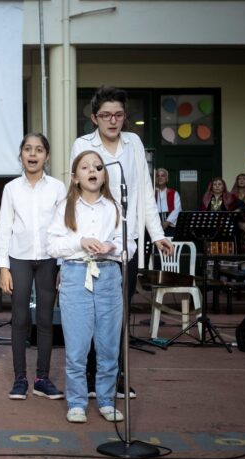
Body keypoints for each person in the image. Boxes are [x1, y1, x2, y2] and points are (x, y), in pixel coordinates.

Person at [71, 85, 173, 399]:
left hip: (124, 241)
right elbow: (75, 192)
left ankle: (114, 376)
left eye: (118, 115)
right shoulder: (83, 144)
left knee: (117, 314)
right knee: (91, 313)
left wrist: (157, 234)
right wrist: (76, 238)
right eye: (106, 115)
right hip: (93, 240)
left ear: (124, 117)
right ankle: (90, 376)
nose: (112, 120)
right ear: (94, 118)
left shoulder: (134, 143)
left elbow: (144, 191)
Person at [48, 150, 135, 424]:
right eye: (85, 167)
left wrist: (112, 247)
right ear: (75, 177)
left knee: (109, 346)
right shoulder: (66, 207)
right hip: (76, 274)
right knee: (77, 346)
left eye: (97, 167)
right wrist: (80, 241)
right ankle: (77, 401)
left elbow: (130, 244)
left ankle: (107, 400)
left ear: (104, 175)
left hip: (108, 275)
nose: (92, 171)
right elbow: (52, 245)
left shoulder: (114, 207)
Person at [0, 133, 66, 401]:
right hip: (19, 259)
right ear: (21, 155)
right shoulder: (11, 188)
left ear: (47, 156)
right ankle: (20, 378)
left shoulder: (58, 188)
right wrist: (3, 267)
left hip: (49, 259)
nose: (33, 154)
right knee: (20, 319)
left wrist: (62, 265)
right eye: (27, 149)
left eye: (38, 150)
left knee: (45, 319)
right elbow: (4, 228)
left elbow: (65, 228)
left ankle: (42, 379)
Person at [154, 168, 181, 237]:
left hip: (170, 225)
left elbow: (177, 210)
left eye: (162, 176)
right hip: (155, 224)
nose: (160, 177)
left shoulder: (174, 193)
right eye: (158, 176)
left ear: (166, 179)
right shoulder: (151, 193)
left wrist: (166, 222)